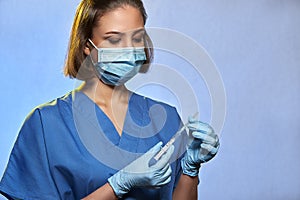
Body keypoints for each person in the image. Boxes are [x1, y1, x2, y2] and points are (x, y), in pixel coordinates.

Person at [0, 0, 220, 199]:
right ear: (87, 45)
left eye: (136, 38)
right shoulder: (46, 125)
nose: (127, 49)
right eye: (113, 39)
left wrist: (191, 169)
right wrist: (117, 185)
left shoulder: (166, 118)